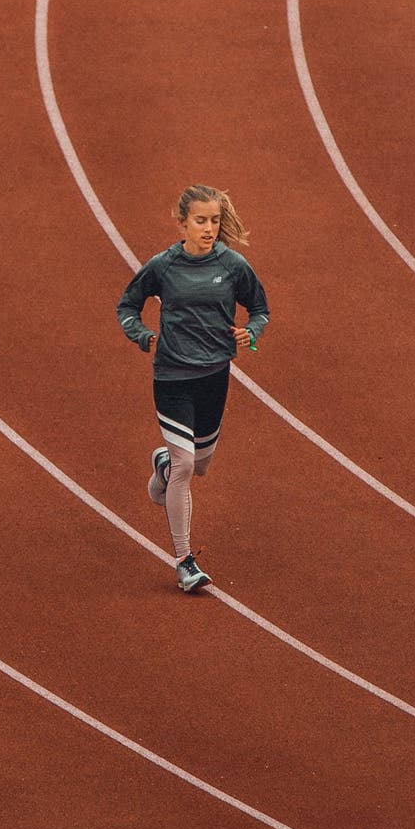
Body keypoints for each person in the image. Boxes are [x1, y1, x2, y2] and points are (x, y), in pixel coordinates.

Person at [116, 184, 269, 592]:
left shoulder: (233, 265)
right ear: (182, 222)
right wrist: (141, 334)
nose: (209, 228)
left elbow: (259, 309)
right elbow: (127, 305)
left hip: (214, 376)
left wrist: (251, 331)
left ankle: (164, 466)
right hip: (171, 377)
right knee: (187, 466)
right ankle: (185, 562)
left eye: (214, 221)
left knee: (199, 465)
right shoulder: (163, 266)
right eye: (201, 221)